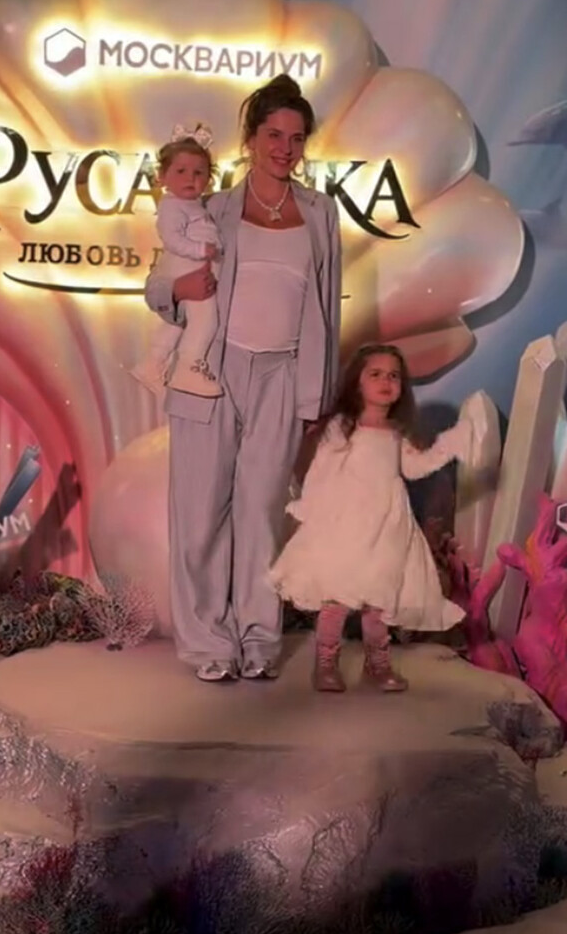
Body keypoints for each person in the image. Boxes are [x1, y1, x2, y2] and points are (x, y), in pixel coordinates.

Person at [144, 72, 341, 683]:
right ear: (251, 139)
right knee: (201, 514)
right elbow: (157, 286)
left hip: (283, 374)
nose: (286, 148)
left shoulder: (321, 213)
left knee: (260, 515)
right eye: (274, 135)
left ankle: (258, 639)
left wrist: (315, 396)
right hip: (213, 368)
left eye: (297, 138)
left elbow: (328, 308)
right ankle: (208, 644)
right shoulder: (213, 208)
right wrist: (177, 289)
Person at [270, 343, 474, 693]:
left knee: (379, 601)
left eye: (394, 376)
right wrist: (310, 509)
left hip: (389, 526)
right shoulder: (342, 427)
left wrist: (448, 446)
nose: (386, 382)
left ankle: (377, 664)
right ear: (357, 382)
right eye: (376, 374)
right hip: (348, 526)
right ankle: (325, 664)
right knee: (337, 597)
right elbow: (322, 472)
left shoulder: (396, 432)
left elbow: (413, 468)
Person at [133, 126, 223, 400]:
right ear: (163, 177)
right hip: (186, 267)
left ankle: (153, 363)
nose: (190, 179)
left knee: (177, 322)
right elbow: (171, 238)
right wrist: (200, 249)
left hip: (191, 267)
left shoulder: (195, 205)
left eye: (199, 173)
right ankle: (190, 366)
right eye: (181, 171)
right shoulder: (172, 205)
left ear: (209, 178)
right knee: (205, 319)